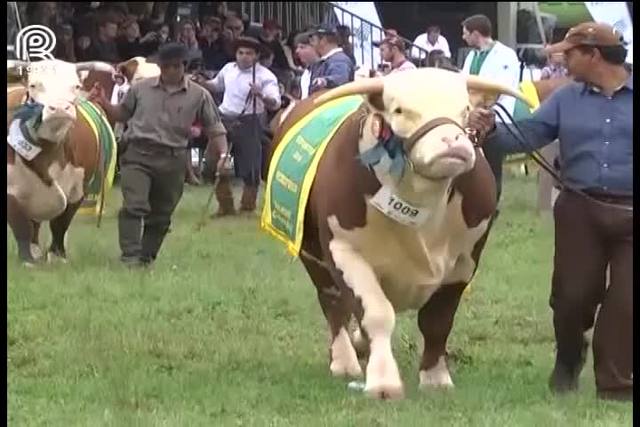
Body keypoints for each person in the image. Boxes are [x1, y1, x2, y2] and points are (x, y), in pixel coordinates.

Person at [467, 22, 632, 402]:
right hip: (580, 209)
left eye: (569, 53)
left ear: (593, 55)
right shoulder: (565, 98)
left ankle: (616, 384)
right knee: (572, 297)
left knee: (627, 301)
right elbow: (526, 136)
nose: (561, 59)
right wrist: (490, 129)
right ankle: (568, 359)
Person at [88, 43, 228, 268]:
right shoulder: (140, 89)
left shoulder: (198, 95)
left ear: (184, 66)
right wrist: (104, 102)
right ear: (159, 67)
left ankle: (146, 257)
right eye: (166, 66)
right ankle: (130, 257)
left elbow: (215, 127)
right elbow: (122, 113)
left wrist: (222, 154)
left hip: (173, 160)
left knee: (162, 214)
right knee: (134, 206)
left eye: (176, 66)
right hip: (137, 154)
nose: (171, 71)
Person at [196, 37, 281, 216]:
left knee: (250, 168)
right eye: (240, 52)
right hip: (223, 119)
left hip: (250, 121)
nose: (244, 57)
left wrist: (261, 95)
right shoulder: (228, 69)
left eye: (249, 53)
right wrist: (201, 83)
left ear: (257, 55)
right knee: (214, 162)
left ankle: (247, 206)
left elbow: (275, 103)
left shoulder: (265, 76)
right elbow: (216, 85)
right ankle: (225, 206)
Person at [460, 14, 521, 204]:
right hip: (471, 117)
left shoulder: (506, 55)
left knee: (491, 165)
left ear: (476, 34)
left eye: (465, 33)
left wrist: (483, 111)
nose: (463, 37)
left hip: (495, 119)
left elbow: (497, 90)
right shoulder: (472, 55)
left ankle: (492, 202)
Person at [308, 25, 355, 95]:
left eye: (313, 40)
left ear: (323, 40)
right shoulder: (321, 62)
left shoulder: (340, 60)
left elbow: (341, 78)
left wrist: (325, 81)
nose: (311, 44)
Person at [293, 31, 320, 100]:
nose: (297, 51)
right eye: (297, 47)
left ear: (315, 47)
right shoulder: (307, 71)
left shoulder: (323, 68)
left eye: (302, 47)